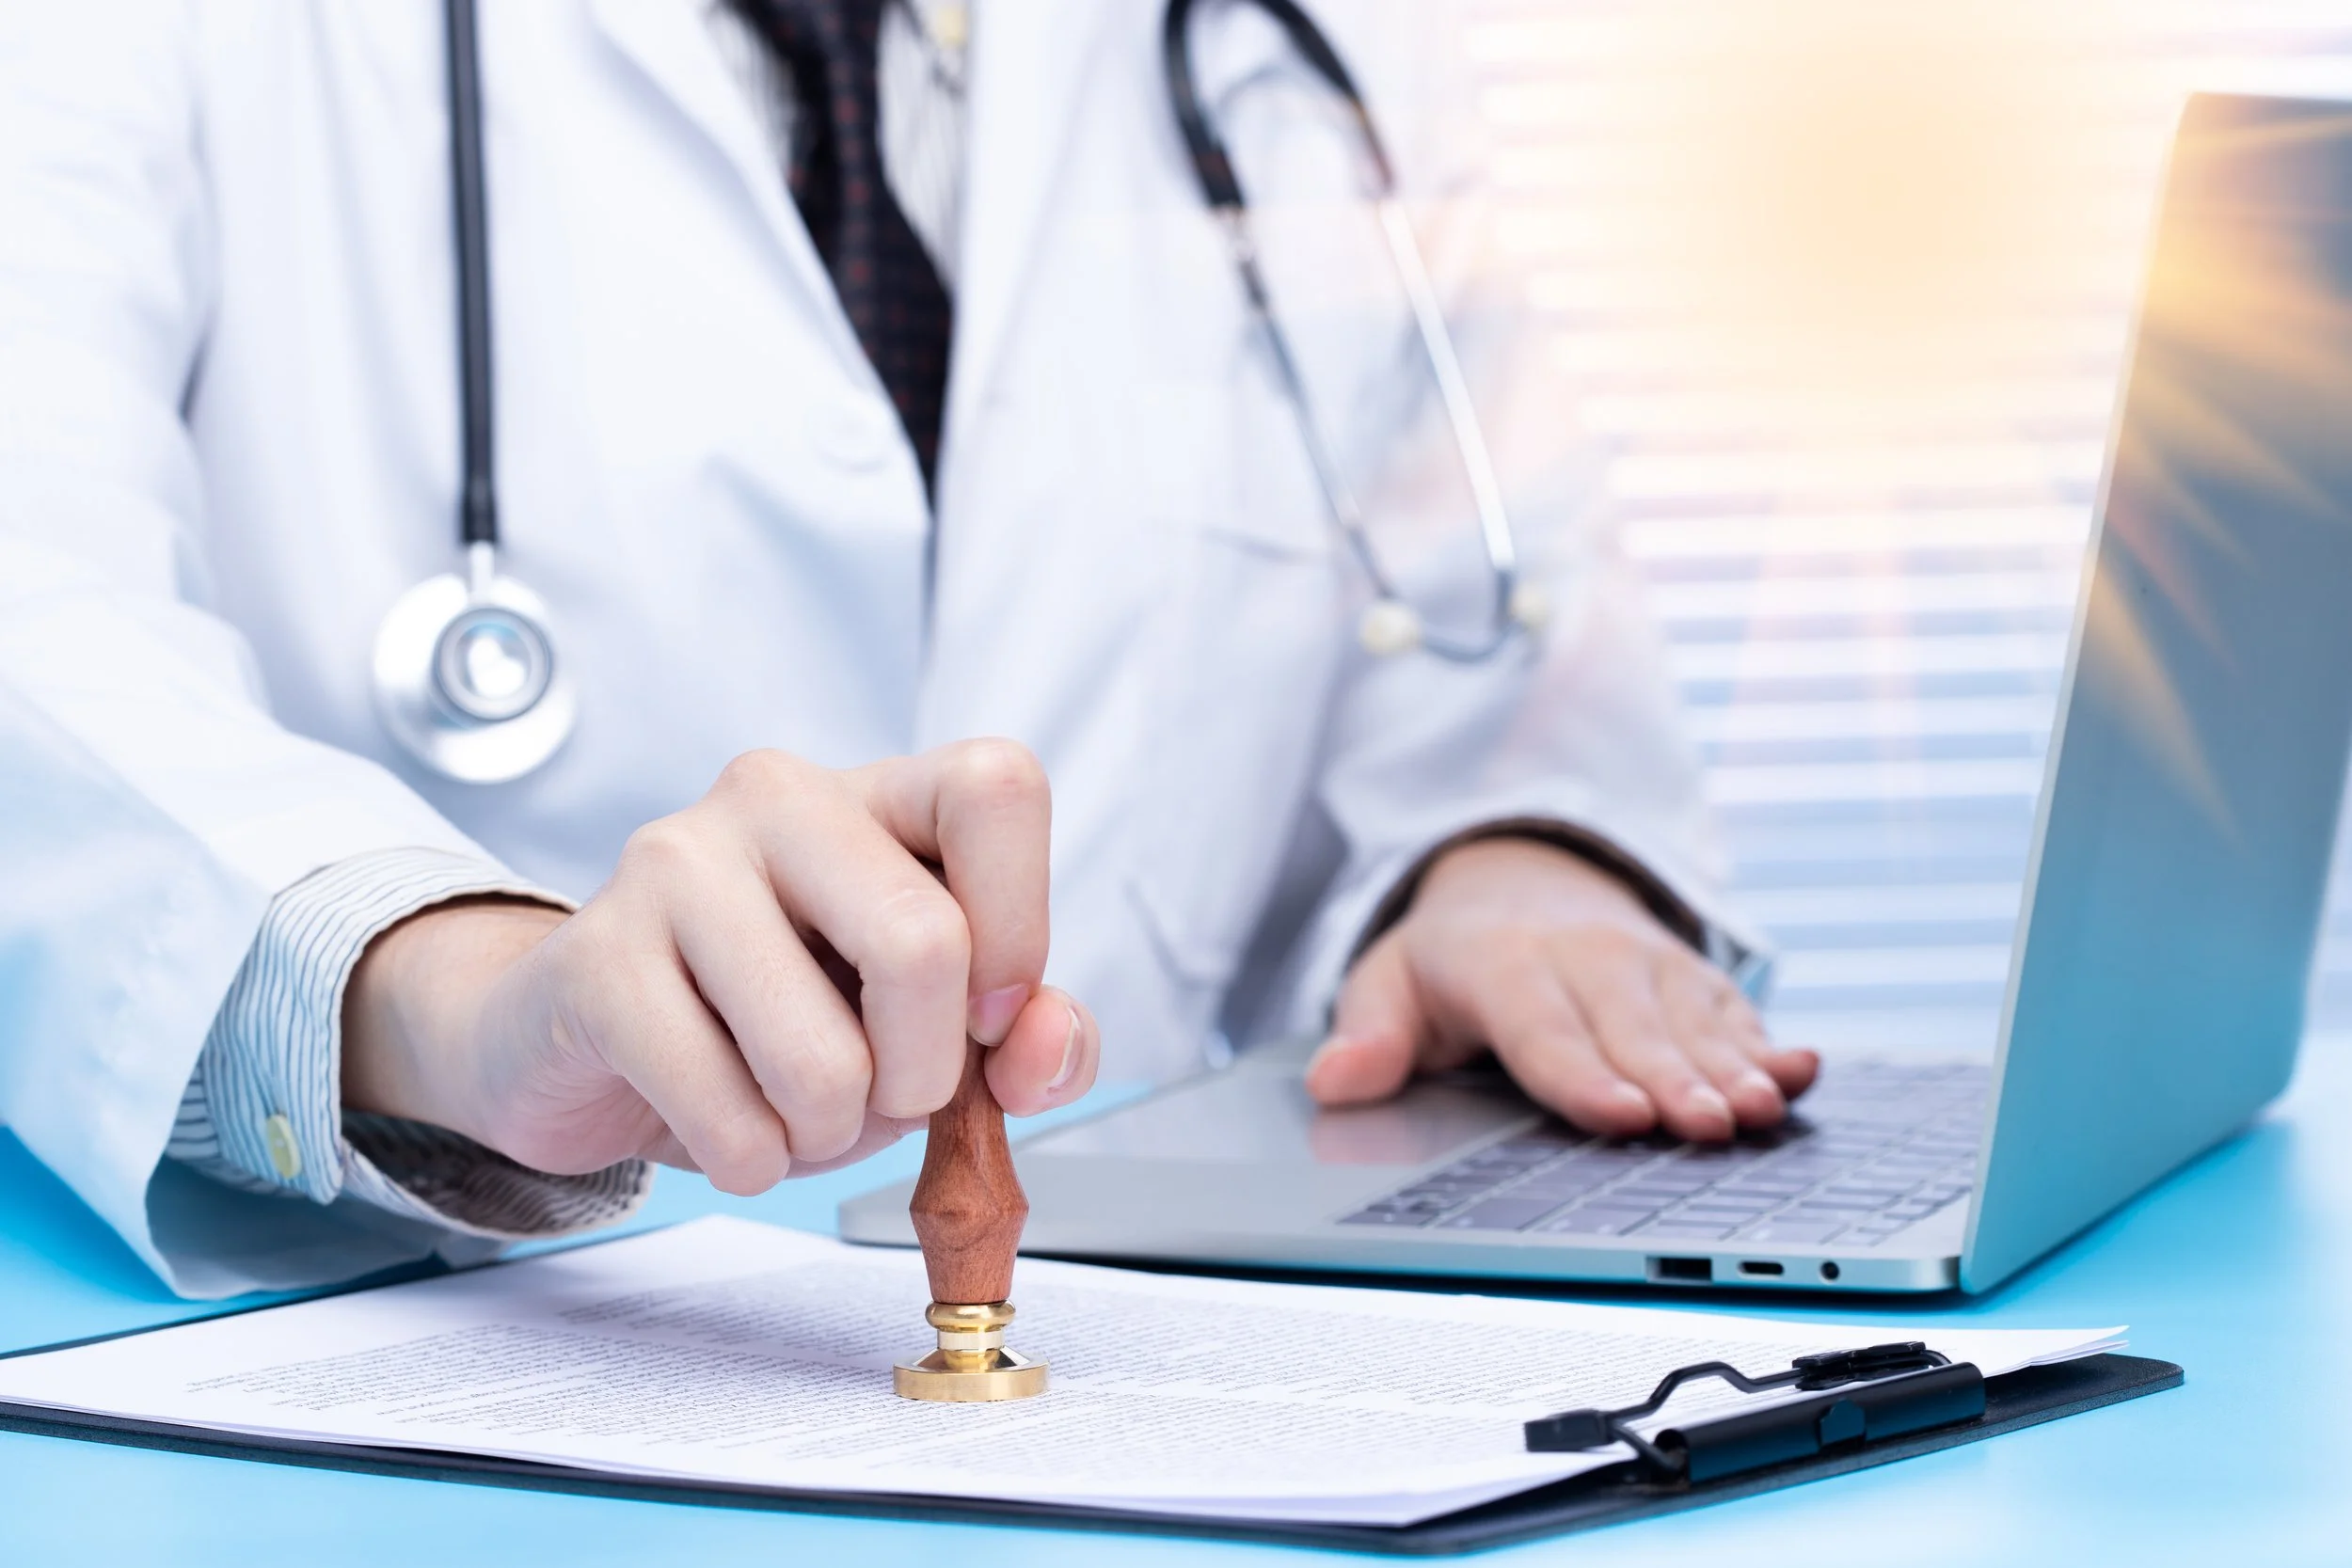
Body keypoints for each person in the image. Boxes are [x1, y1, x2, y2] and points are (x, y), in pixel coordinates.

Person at [0, 0, 1815, 1300]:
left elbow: (1487, 657)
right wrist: (460, 994)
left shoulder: (1317, 44)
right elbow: (38, 619)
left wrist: (1509, 867)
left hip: (1178, 1379)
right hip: (493, 1358)